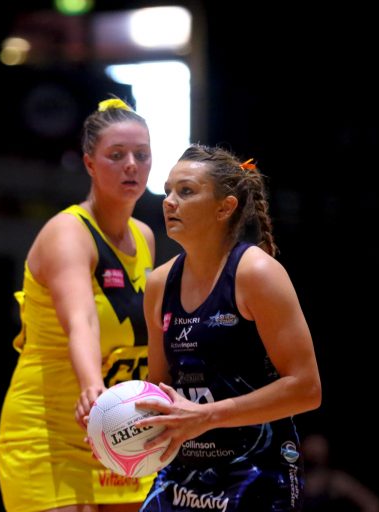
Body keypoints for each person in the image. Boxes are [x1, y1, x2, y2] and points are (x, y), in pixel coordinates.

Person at [135, 144, 322, 511]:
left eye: (186, 191)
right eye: (168, 190)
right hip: (181, 476)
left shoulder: (257, 273)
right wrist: (118, 429)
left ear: (225, 207)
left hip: (255, 471)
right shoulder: (159, 283)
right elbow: (159, 390)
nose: (169, 201)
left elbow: (307, 388)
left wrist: (208, 416)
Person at [0, 98, 156, 512]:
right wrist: (91, 385)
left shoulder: (144, 237)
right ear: (89, 163)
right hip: (49, 432)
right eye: (116, 156)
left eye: (141, 154)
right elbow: (81, 321)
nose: (132, 165)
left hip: (121, 431)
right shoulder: (68, 232)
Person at [301, 433, 379, 512]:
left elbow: (373, 505)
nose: (313, 452)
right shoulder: (293, 479)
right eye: (310, 448)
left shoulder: (335, 480)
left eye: (317, 450)